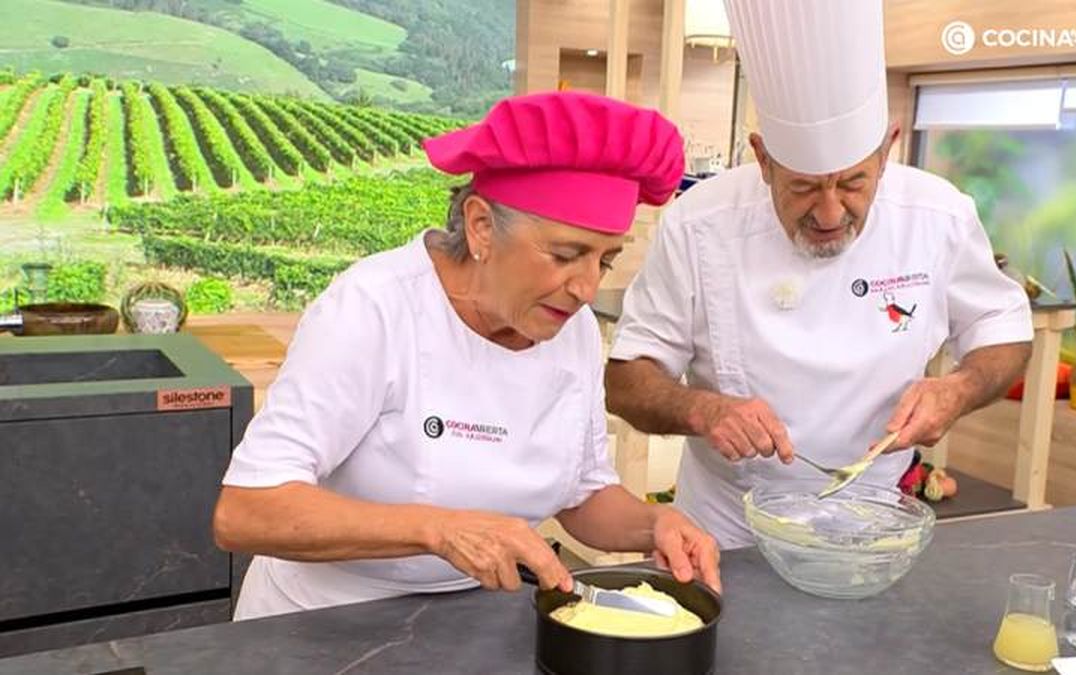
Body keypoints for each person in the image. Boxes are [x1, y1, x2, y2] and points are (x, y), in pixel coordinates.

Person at [212, 91, 721, 620]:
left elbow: (583, 493)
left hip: (466, 623)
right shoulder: (375, 309)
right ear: (481, 227)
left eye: (606, 261)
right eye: (567, 255)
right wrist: (439, 529)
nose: (587, 288)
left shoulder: (574, 334)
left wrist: (654, 525)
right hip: (320, 622)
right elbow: (246, 510)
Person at [604, 0, 1034, 548]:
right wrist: (700, 408)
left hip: (874, 522)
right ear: (762, 160)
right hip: (727, 530)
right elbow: (626, 380)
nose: (830, 213)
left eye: (853, 183)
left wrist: (959, 389)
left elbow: (1003, 330)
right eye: (803, 187)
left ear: (887, 150)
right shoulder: (700, 222)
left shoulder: (939, 215)